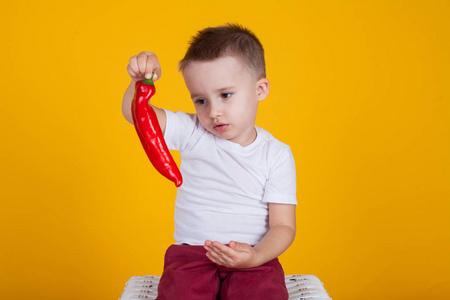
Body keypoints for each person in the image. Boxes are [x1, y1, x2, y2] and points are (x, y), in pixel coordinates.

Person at [122, 23, 297, 300]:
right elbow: (137, 115)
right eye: (201, 100)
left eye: (225, 95)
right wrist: (141, 81)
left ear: (260, 89)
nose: (214, 111)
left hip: (253, 255)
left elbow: (283, 226)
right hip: (192, 254)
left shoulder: (276, 154)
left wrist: (256, 256)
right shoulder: (193, 132)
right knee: (180, 294)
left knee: (263, 294)